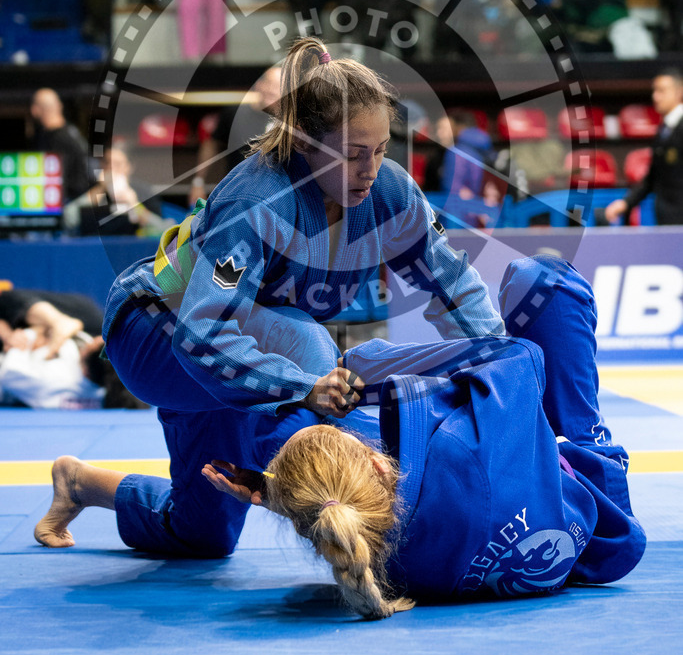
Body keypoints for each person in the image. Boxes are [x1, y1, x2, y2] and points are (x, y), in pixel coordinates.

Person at [32, 38, 505, 555]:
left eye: (380, 149)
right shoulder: (256, 198)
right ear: (306, 142)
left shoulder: (389, 194)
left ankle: (79, 482)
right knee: (310, 350)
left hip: (238, 355)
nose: (370, 169)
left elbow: (452, 284)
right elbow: (202, 331)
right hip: (155, 332)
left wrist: (503, 371)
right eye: (352, 155)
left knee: (202, 535)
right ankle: (357, 520)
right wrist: (301, 386)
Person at [36, 255, 645, 625]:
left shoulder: (361, 520)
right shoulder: (379, 554)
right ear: (380, 471)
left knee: (211, 519)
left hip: (572, 525)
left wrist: (370, 368)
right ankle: (106, 469)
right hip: (576, 493)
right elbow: (519, 354)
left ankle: (85, 478)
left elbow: (619, 551)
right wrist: (377, 363)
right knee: (543, 280)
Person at [188, 64, 282, 206]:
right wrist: (198, 182)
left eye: (279, 87)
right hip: (235, 195)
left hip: (273, 197)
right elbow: (211, 144)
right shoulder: (234, 113)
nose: (272, 91)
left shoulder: (288, 122)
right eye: (270, 84)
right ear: (259, 85)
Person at [606, 70, 683, 226]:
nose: (655, 96)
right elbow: (653, 176)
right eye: (654, 91)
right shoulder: (664, 130)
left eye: (662, 91)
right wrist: (626, 203)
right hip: (667, 220)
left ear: (679, 92)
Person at [29, 88, 90, 202]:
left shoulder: (59, 139)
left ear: (35, 110)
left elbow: (53, 180)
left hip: (69, 205)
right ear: (59, 106)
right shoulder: (70, 132)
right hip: (76, 200)